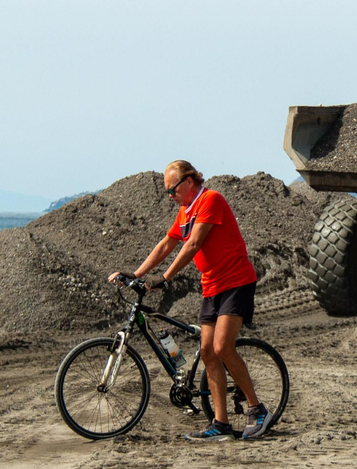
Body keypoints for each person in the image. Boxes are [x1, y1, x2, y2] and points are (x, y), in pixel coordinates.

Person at [109, 161, 270, 441]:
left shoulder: (211, 199)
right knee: (207, 352)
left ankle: (257, 410)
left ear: (189, 182)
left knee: (222, 347)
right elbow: (166, 244)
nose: (170, 196)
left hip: (236, 282)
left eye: (172, 190)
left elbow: (193, 243)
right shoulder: (185, 211)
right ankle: (221, 424)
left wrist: (165, 277)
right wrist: (136, 274)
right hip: (211, 286)